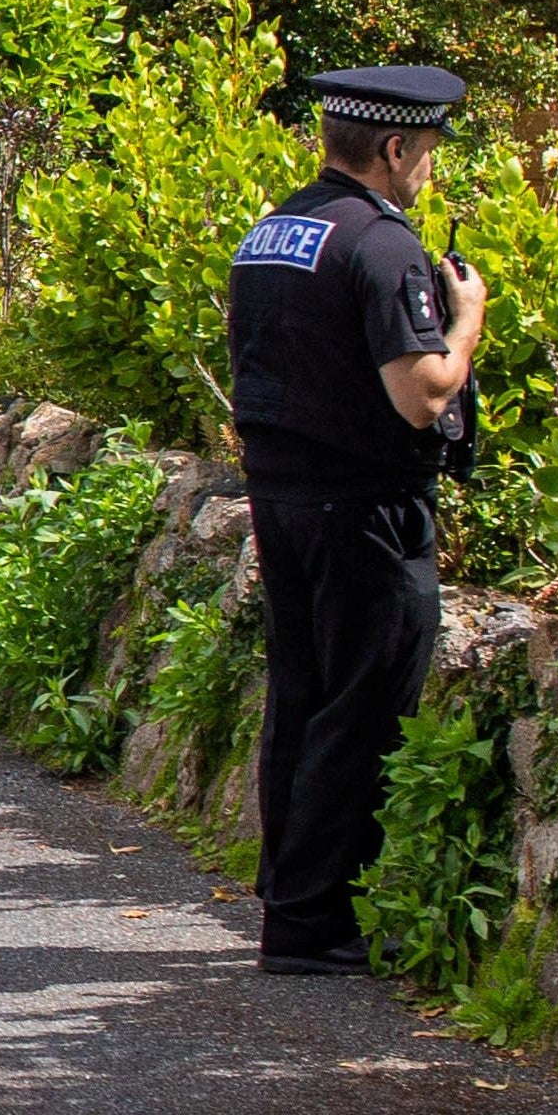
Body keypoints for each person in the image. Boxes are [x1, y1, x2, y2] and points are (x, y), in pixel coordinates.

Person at [224, 64, 489, 977]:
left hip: (282, 496)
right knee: (363, 705)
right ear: (394, 147)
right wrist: (467, 322)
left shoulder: (275, 229)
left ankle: (290, 905)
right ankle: (315, 925)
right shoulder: (379, 247)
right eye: (426, 153)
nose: (428, 170)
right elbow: (421, 395)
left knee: (300, 696)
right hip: (365, 508)